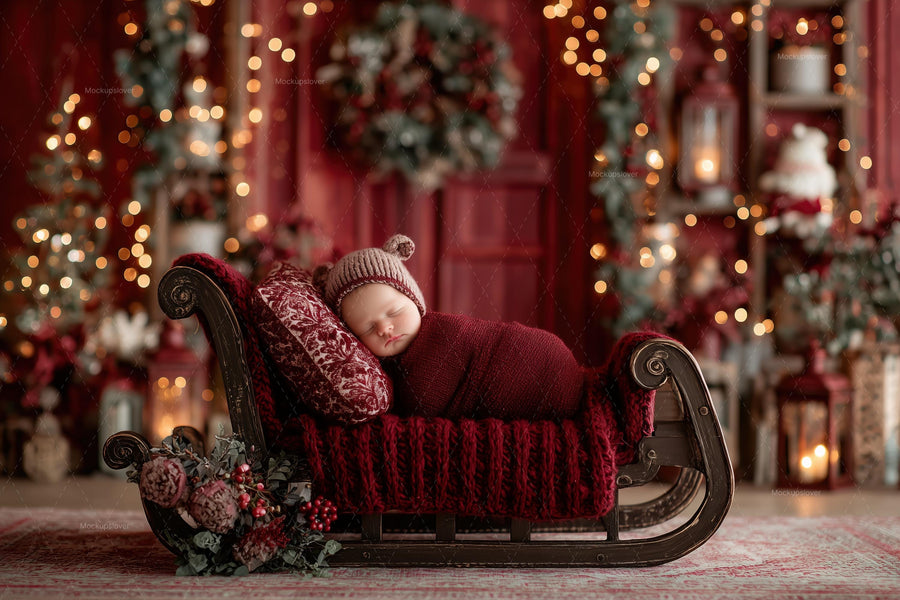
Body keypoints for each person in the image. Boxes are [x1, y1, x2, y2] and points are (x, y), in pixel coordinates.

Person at [313, 234, 584, 421]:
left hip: (546, 365)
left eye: (395, 312)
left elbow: (424, 402)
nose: (385, 328)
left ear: (415, 300)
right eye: (368, 328)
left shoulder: (444, 334)